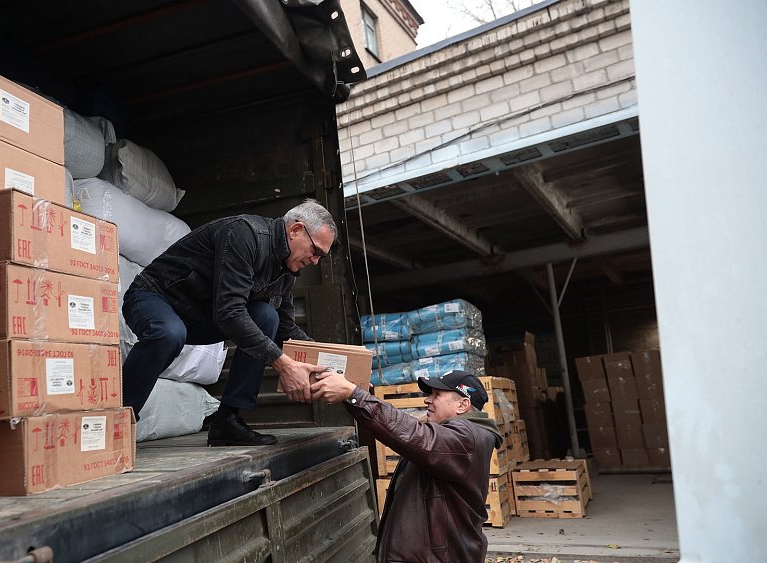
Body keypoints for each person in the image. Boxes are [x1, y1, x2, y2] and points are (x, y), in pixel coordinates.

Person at [121, 199, 337, 446]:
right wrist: (285, 366)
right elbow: (230, 312)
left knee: (267, 316)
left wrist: (330, 363)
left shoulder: (286, 269)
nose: (315, 261)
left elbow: (286, 329)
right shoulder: (244, 234)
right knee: (170, 333)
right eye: (316, 251)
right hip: (153, 298)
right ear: (296, 230)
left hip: (200, 316)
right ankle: (120, 419)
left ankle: (227, 421)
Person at [310, 369, 504, 563]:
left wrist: (354, 395)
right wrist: (356, 397)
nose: (428, 399)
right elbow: (404, 430)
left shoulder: (466, 437)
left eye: (437, 395)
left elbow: (412, 434)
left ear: (463, 405)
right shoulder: (458, 434)